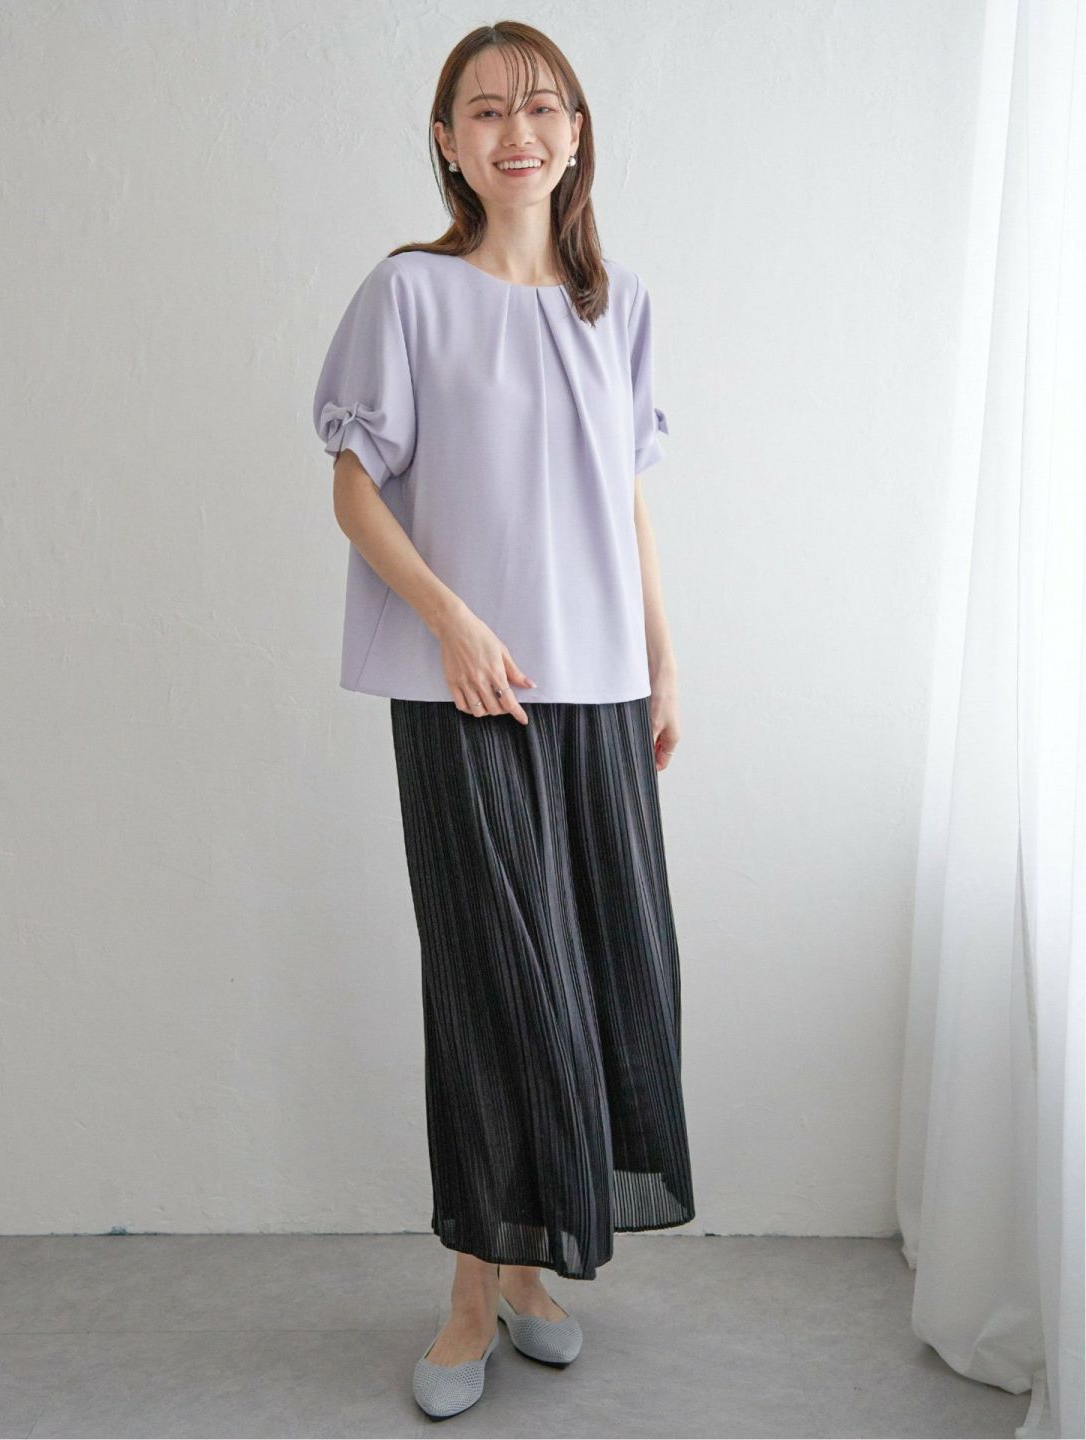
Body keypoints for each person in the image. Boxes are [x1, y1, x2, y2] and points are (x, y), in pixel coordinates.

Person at [312, 21, 696, 1419]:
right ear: (448, 142)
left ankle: (531, 1271)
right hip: (465, 691)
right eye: (484, 111)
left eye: (540, 107)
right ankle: (471, 1295)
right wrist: (449, 619)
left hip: (600, 688)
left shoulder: (618, 306)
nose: (514, 131)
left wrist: (663, 661)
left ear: (576, 132)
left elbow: (624, 498)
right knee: (491, 988)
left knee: (597, 983)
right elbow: (355, 487)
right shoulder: (410, 294)